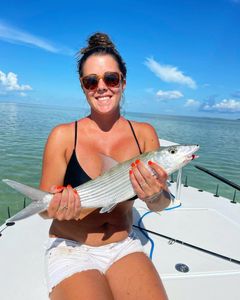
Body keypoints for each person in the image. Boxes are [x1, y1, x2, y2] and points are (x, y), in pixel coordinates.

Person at [40, 32, 170, 300]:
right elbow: (44, 211)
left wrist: (155, 195)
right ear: (82, 86)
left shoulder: (144, 134)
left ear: (123, 81)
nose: (102, 87)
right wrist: (59, 208)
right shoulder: (63, 136)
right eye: (91, 81)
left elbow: (161, 204)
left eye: (110, 78)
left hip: (124, 244)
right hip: (72, 247)